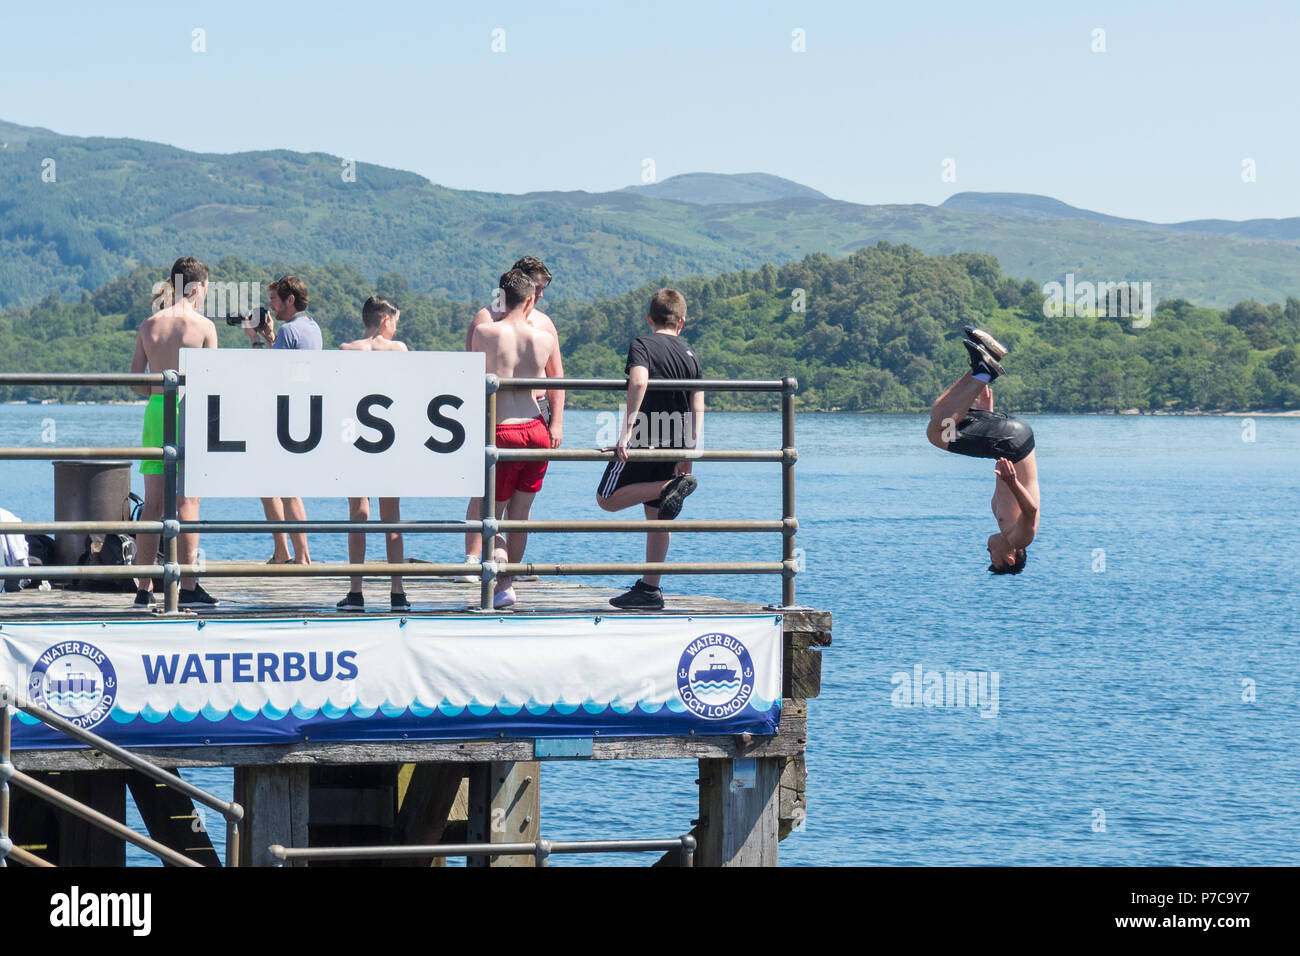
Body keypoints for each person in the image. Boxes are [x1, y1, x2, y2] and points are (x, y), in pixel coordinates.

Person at [596, 289, 704, 611]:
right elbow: (698, 403)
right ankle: (650, 589)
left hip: (645, 437)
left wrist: (626, 433)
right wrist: (689, 451)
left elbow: (639, 381)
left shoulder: (642, 345)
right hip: (676, 442)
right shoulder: (690, 355)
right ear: (682, 322)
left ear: (649, 318)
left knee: (607, 499)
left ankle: (667, 487)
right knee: (658, 515)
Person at [459, 256, 564, 581]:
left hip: (511, 424)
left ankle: (505, 573)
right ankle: (485, 566)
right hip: (530, 426)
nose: (541, 295)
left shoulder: (493, 331)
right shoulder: (499, 323)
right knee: (505, 506)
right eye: (538, 289)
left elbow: (472, 375)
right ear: (526, 292)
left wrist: (557, 420)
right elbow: (557, 378)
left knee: (500, 510)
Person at [129, 256, 220, 608]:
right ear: (198, 288)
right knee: (188, 502)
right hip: (188, 410)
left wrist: (157, 392)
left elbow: (137, 380)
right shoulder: (203, 327)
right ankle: (190, 585)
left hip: (155, 411)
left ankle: (142, 587)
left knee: (152, 503)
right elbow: (213, 382)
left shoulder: (149, 325)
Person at [925, 326, 1040, 574]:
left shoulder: (1005, 524)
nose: (988, 551)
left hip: (1011, 440)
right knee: (936, 434)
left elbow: (1008, 473)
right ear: (1010, 558)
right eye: (993, 558)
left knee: (939, 417)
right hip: (1013, 443)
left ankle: (985, 364)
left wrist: (986, 416)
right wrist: (1012, 482)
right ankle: (984, 370)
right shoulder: (1020, 539)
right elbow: (1031, 510)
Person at [335, 296, 410, 612]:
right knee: (391, 516)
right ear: (385, 321)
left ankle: (356, 591)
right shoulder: (399, 350)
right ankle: (397, 592)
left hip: (353, 434)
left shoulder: (346, 350)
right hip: (388, 438)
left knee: (358, 514)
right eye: (394, 321)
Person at [245, 275, 322, 565]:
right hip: (302, 414)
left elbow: (269, 375)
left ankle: (294, 554)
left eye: (275, 300)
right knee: (283, 486)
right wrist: (269, 338)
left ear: (290, 300)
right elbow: (290, 365)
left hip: (283, 417)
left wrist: (254, 341)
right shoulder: (311, 328)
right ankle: (289, 552)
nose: (271, 307)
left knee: (279, 488)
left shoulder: (289, 331)